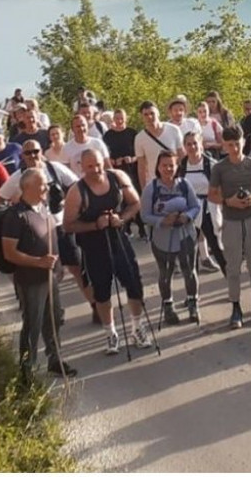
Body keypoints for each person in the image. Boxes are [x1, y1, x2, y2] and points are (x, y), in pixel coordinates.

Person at [63, 148, 153, 354]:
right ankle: (110, 333)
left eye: (98, 164)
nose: (95, 170)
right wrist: (96, 224)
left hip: (119, 240)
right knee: (102, 291)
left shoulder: (117, 178)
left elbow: (135, 202)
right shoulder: (77, 191)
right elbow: (68, 225)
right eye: (90, 167)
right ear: (81, 167)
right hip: (93, 246)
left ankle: (137, 327)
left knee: (134, 283)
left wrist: (121, 219)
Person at [0, 141, 96, 322]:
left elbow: (78, 185)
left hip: (60, 226)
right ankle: (51, 311)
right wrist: (14, 210)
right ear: (23, 156)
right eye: (28, 153)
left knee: (77, 267)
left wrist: (67, 202)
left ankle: (95, 306)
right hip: (36, 232)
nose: (33, 156)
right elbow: (0, 198)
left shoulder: (54, 168)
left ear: (41, 152)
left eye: (35, 151)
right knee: (47, 272)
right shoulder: (19, 176)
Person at [1, 168, 77, 378]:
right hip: (30, 280)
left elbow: (51, 237)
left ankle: (55, 359)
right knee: (33, 324)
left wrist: (57, 264)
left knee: (54, 319)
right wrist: (39, 262)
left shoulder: (43, 208)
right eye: (43, 183)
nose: (47, 187)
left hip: (50, 275)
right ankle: (27, 371)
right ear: (28, 187)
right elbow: (10, 253)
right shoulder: (15, 216)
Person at [208, 125, 251, 328]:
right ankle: (235, 307)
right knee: (233, 266)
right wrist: (229, 201)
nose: (235, 148)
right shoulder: (219, 168)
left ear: (243, 142)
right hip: (231, 220)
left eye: (237, 143)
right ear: (224, 146)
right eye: (230, 145)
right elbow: (212, 194)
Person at [141, 151, 202, 325]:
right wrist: (162, 221)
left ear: (177, 167)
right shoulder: (150, 188)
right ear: (158, 167)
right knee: (165, 273)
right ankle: (168, 306)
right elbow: (145, 215)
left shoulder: (184, 185)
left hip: (186, 235)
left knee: (189, 270)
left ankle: (193, 302)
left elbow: (195, 206)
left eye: (171, 165)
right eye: (164, 165)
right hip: (162, 239)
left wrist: (187, 217)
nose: (168, 168)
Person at [178, 131, 225, 275]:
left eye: (195, 143)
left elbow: (222, 188)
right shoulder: (181, 166)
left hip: (209, 209)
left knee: (217, 247)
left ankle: (232, 283)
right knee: (190, 251)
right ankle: (193, 291)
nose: (192, 147)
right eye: (188, 144)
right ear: (184, 146)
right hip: (189, 211)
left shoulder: (211, 165)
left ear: (201, 144)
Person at [103, 109, 147, 239]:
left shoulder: (132, 133)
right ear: (113, 120)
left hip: (132, 170)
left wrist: (131, 158)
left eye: (121, 118)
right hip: (116, 171)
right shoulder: (108, 136)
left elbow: (139, 154)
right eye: (116, 118)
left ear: (125, 118)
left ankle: (141, 228)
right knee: (121, 199)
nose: (119, 121)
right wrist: (113, 161)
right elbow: (105, 155)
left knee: (135, 198)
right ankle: (125, 228)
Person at [134, 101, 185, 189]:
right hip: (155, 184)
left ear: (158, 113)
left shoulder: (174, 130)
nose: (149, 117)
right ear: (142, 117)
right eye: (146, 114)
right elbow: (141, 167)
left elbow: (182, 156)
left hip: (175, 181)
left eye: (152, 113)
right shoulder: (139, 138)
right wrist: (144, 190)